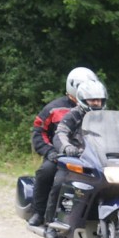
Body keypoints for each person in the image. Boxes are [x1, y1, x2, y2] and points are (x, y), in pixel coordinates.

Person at [27, 67, 100, 227]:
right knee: (45, 172)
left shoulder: (97, 109)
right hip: (60, 155)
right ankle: (39, 212)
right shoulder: (53, 109)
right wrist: (50, 152)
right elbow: (39, 133)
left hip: (90, 156)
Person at [44, 79, 108, 228]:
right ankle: (50, 222)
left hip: (100, 161)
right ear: (83, 100)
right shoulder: (73, 115)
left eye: (99, 100)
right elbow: (61, 132)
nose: (97, 103)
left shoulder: (107, 118)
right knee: (59, 183)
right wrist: (67, 146)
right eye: (92, 100)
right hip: (77, 160)